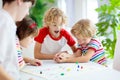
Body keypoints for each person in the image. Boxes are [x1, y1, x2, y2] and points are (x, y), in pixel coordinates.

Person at [0, 0, 35, 80]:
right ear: (20, 1)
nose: (27, 13)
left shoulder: (6, 21)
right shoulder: (4, 22)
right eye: (28, 7)